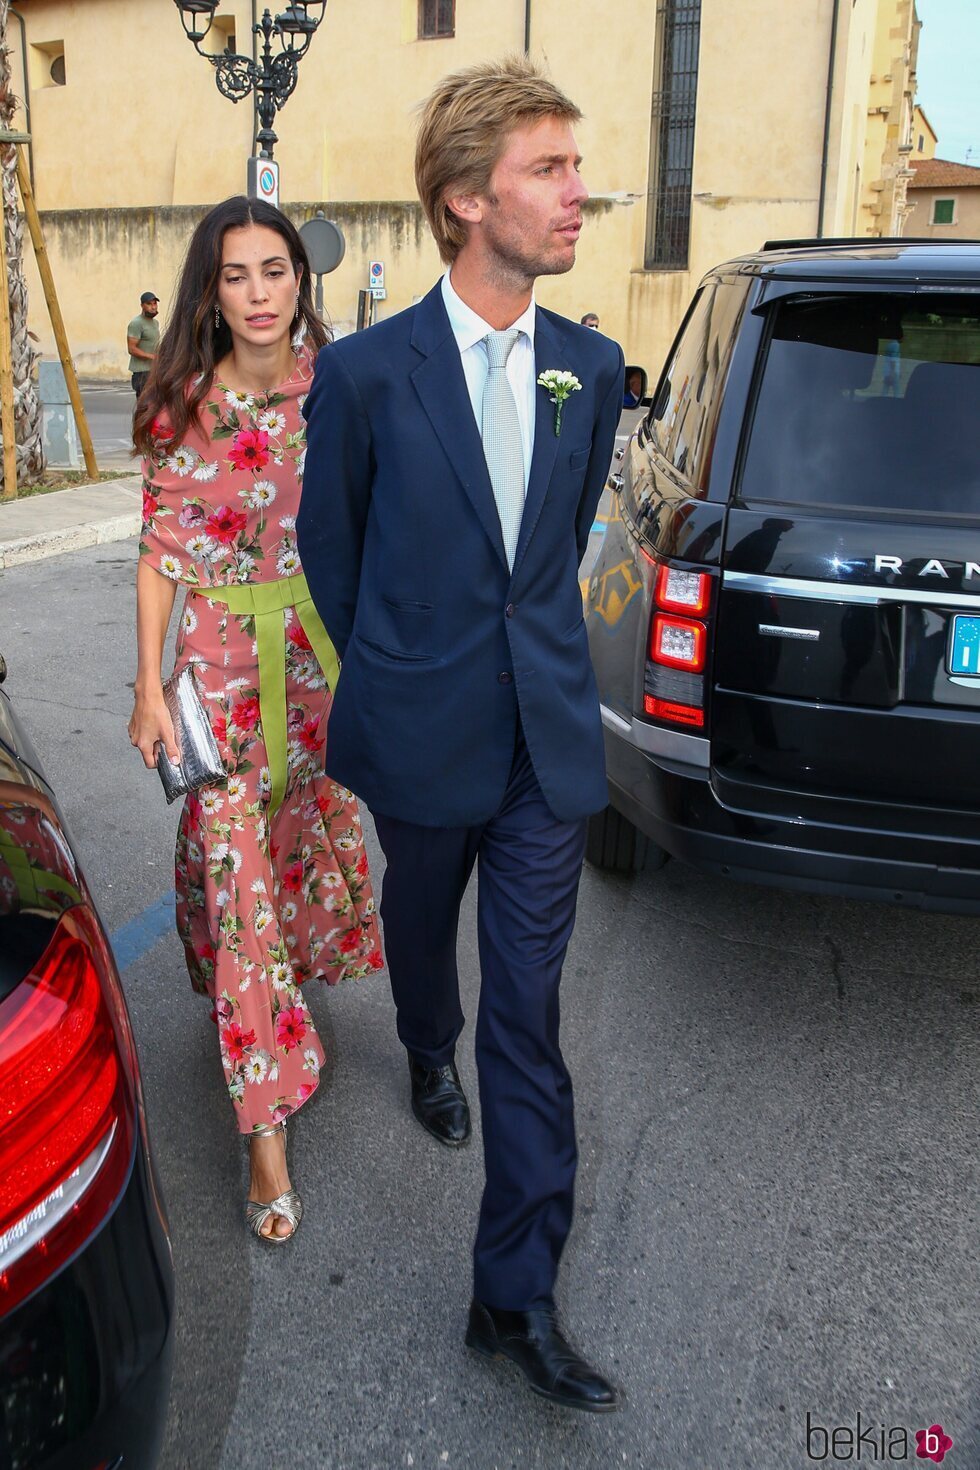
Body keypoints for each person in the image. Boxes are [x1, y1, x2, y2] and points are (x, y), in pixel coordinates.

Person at [298, 57, 623, 1410]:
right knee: (420, 921)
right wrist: (405, 658)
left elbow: (544, 552)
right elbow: (335, 551)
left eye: (574, 166)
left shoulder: (592, 367)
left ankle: (514, 1291)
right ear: (461, 202)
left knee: (531, 1020)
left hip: (545, 743)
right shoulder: (368, 374)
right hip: (420, 729)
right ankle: (422, 1036)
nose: (579, 194)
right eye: (548, 170)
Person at [129, 197, 383, 1244]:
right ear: (210, 290)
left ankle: (267, 1003)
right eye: (235, 275)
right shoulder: (181, 403)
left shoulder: (344, 387)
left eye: (273, 270)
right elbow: (156, 558)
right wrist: (147, 689)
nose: (258, 293)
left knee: (295, 852)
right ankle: (265, 1134)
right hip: (218, 676)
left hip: (320, 668)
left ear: (300, 278)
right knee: (238, 886)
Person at [127, 291, 160, 399]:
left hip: (153, 370)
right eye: (149, 304)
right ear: (142, 306)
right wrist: (152, 357)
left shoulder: (155, 323)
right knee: (144, 407)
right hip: (141, 373)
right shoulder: (136, 323)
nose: (153, 307)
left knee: (154, 406)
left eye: (154, 303)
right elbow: (132, 349)